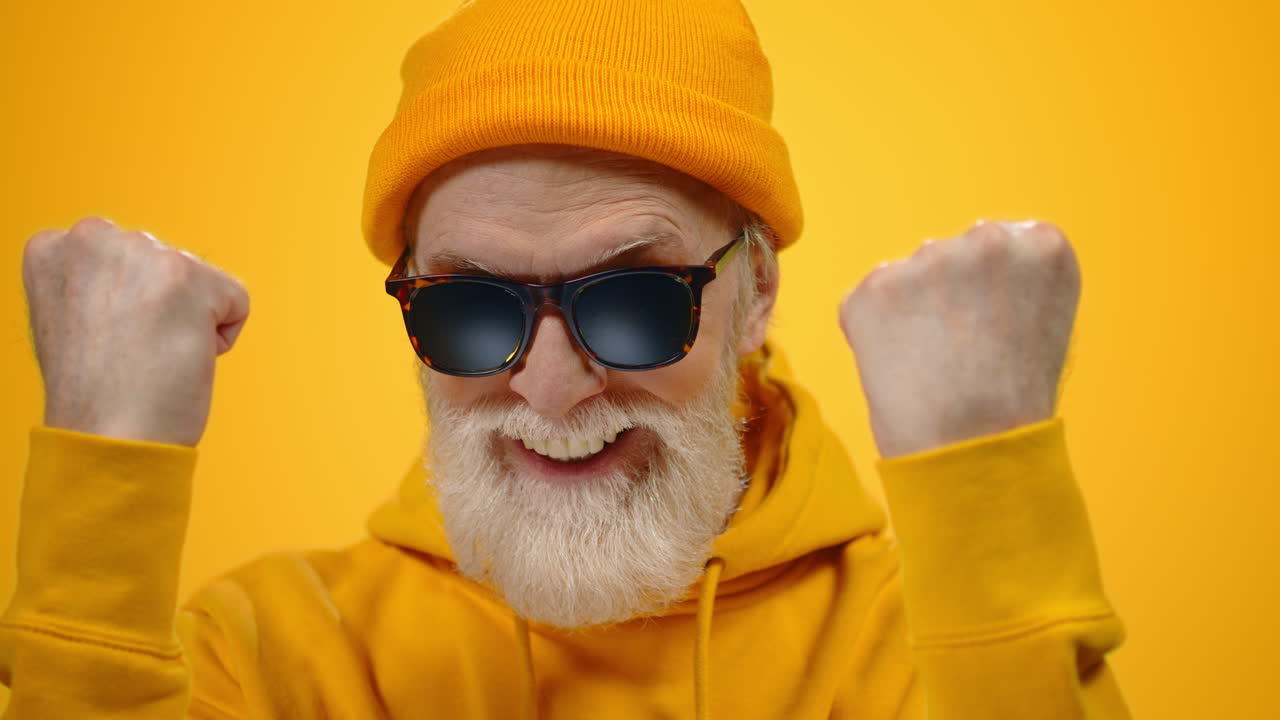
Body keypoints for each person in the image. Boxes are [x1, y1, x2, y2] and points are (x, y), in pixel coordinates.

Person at [3, 0, 1131, 717]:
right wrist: (106, 468)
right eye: (470, 310)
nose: (548, 386)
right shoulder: (272, 656)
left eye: (635, 299)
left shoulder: (938, 645)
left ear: (755, 296)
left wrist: (982, 483)